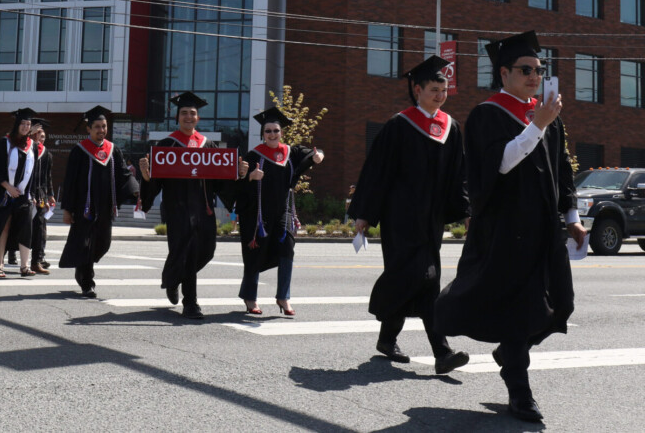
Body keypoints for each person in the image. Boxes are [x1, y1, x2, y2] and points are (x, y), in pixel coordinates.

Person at [435, 32, 586, 422]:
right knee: (521, 311)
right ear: (504, 73)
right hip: (506, 230)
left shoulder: (547, 114)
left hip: (544, 229)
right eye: (525, 70)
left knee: (562, 305)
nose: (534, 76)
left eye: (538, 69)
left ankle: (509, 351)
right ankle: (520, 389)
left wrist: (572, 218)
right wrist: (536, 126)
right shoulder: (489, 114)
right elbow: (496, 166)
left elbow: (562, 170)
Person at [348, 56, 471, 374]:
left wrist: (466, 212)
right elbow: (377, 173)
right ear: (417, 89)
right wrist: (364, 213)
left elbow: (459, 176)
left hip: (431, 220)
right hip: (399, 219)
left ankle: (388, 339)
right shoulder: (399, 125)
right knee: (425, 279)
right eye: (434, 89)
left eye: (443, 90)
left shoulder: (451, 129)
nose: (440, 95)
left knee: (423, 281)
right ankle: (441, 352)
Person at [139, 92, 232, 319]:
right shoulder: (166, 145)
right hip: (178, 211)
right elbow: (156, 184)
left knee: (207, 251)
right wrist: (146, 176)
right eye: (184, 113)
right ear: (177, 117)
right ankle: (191, 303)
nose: (188, 117)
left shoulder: (208, 145)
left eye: (192, 113)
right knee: (188, 254)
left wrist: (236, 174)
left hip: (204, 210)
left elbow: (220, 183)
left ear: (198, 118)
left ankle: (174, 278)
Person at [234, 107, 324, 317]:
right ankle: (250, 297)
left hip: (283, 211)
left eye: (276, 130)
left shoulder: (290, 152)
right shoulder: (253, 155)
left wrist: (319, 156)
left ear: (281, 132)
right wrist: (249, 178)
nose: (272, 134)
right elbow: (236, 186)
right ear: (262, 134)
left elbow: (313, 154)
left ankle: (283, 297)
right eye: (268, 131)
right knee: (254, 254)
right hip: (257, 213)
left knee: (287, 248)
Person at [59, 106, 139, 297]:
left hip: (105, 206)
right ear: (89, 129)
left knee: (103, 244)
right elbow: (70, 181)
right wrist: (67, 209)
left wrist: (136, 190)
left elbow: (124, 174)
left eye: (104, 126)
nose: (101, 130)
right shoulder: (79, 151)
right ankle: (87, 282)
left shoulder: (113, 150)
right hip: (84, 208)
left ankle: (83, 265)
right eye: (97, 127)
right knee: (85, 244)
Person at [0, 108, 40, 277]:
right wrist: (8, 187)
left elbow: (33, 173)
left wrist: (33, 194)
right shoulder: (4, 143)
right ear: (16, 124)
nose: (25, 127)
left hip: (23, 195)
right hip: (3, 194)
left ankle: (24, 266)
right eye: (22, 123)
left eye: (28, 124)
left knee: (25, 228)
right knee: (3, 227)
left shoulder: (32, 147)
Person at [29, 119, 55, 273]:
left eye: (43, 135)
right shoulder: (25, 149)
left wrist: (50, 195)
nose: (40, 137)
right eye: (37, 133)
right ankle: (9, 254)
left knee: (40, 227)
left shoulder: (47, 154)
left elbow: (48, 177)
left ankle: (37, 260)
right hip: (25, 193)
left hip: (40, 194)